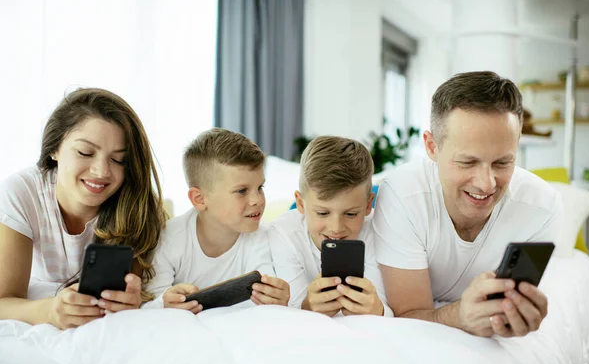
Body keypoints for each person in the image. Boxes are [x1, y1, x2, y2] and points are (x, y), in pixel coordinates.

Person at [373, 71, 563, 337]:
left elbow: (508, 306)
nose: (486, 184)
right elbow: (407, 315)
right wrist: (459, 315)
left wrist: (514, 315)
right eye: (467, 162)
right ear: (431, 147)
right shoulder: (402, 195)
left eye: (502, 163)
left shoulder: (542, 208)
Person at [0, 88, 167, 329]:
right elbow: (4, 301)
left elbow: (138, 294)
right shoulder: (21, 193)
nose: (102, 172)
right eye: (85, 152)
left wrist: (132, 301)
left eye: (118, 160)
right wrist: (51, 310)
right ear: (54, 149)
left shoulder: (137, 207)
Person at [145, 128, 290, 311]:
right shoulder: (168, 238)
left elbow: (267, 296)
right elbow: (148, 304)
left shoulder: (263, 236)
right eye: (242, 191)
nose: (258, 200)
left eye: (260, 187)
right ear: (200, 199)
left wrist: (279, 298)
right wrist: (164, 303)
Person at [269, 136, 392, 317]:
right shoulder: (283, 232)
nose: (336, 228)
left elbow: (388, 305)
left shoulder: (378, 231)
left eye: (350, 214)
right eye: (322, 213)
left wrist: (379, 311)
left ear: (368, 206)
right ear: (301, 204)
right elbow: (289, 307)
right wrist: (306, 307)